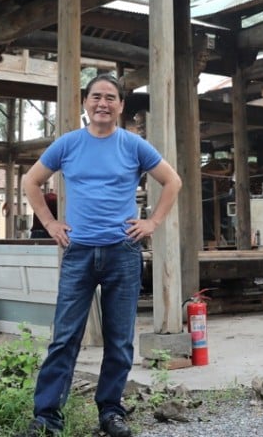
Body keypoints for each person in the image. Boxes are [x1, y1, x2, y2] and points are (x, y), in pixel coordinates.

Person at [18, 74, 182, 437]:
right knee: (65, 337)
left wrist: (152, 222)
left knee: (119, 339)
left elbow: (173, 181)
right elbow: (31, 180)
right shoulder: (68, 144)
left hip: (122, 252)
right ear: (86, 102)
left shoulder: (134, 145)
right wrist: (50, 223)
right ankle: (47, 417)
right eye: (96, 97)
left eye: (110, 98)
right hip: (78, 252)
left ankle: (111, 412)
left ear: (120, 106)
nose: (102, 104)